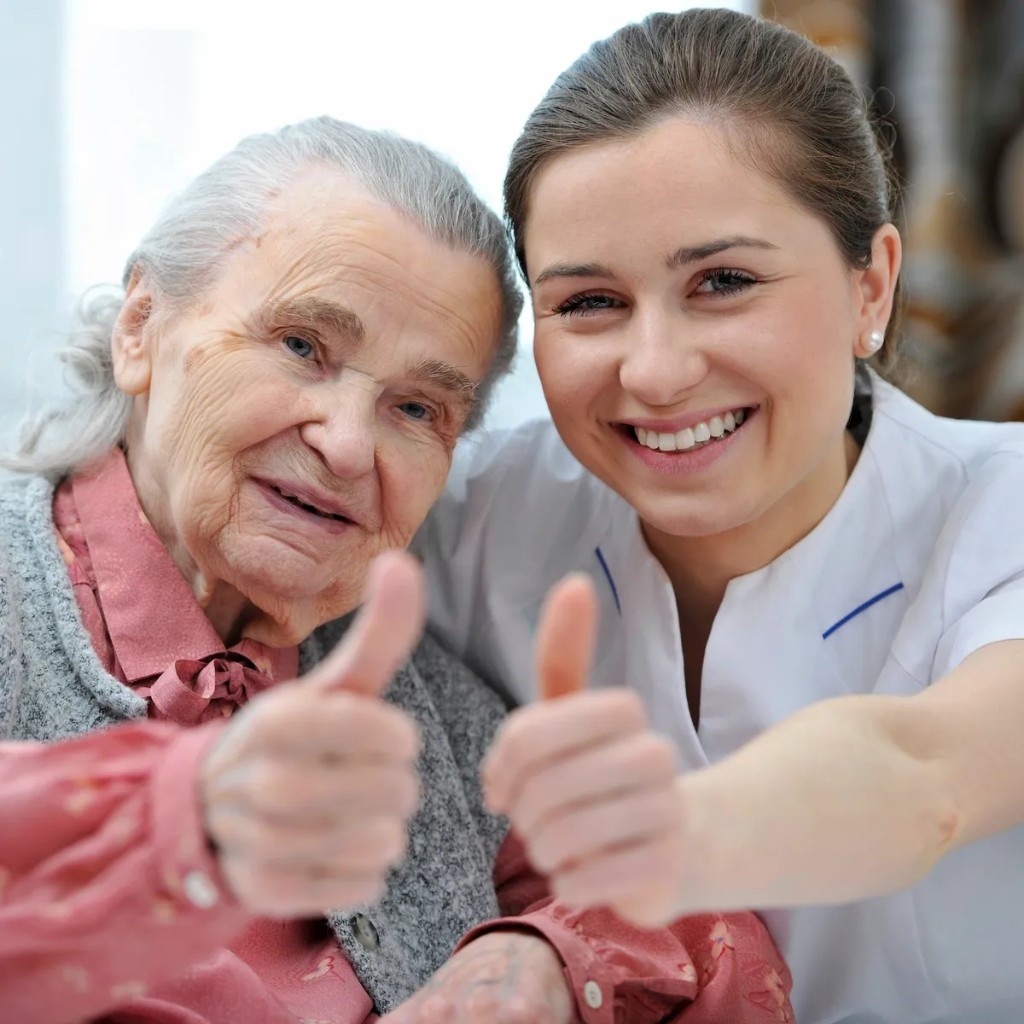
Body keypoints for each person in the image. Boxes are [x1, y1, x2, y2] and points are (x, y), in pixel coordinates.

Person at [0, 114, 790, 1024]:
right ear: (141, 326)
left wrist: (533, 965)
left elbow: (705, 925)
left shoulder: (423, 711)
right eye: (302, 345)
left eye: (416, 408)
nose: (345, 444)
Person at [415, 8, 1024, 1024]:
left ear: (869, 283)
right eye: (588, 302)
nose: (654, 372)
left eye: (724, 282)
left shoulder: (1002, 510)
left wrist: (649, 850)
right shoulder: (476, 515)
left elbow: (924, 775)